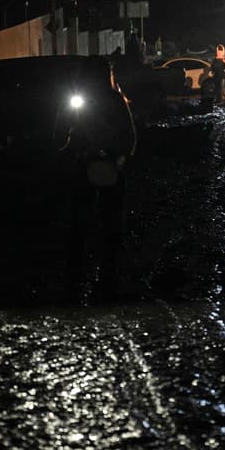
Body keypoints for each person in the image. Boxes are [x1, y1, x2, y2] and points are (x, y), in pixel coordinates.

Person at [62, 55, 138, 286]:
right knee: (98, 216)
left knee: (100, 217)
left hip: (105, 164)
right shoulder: (103, 100)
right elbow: (70, 132)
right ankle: (97, 264)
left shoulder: (112, 100)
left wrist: (118, 157)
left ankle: (101, 265)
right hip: (93, 163)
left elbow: (128, 135)